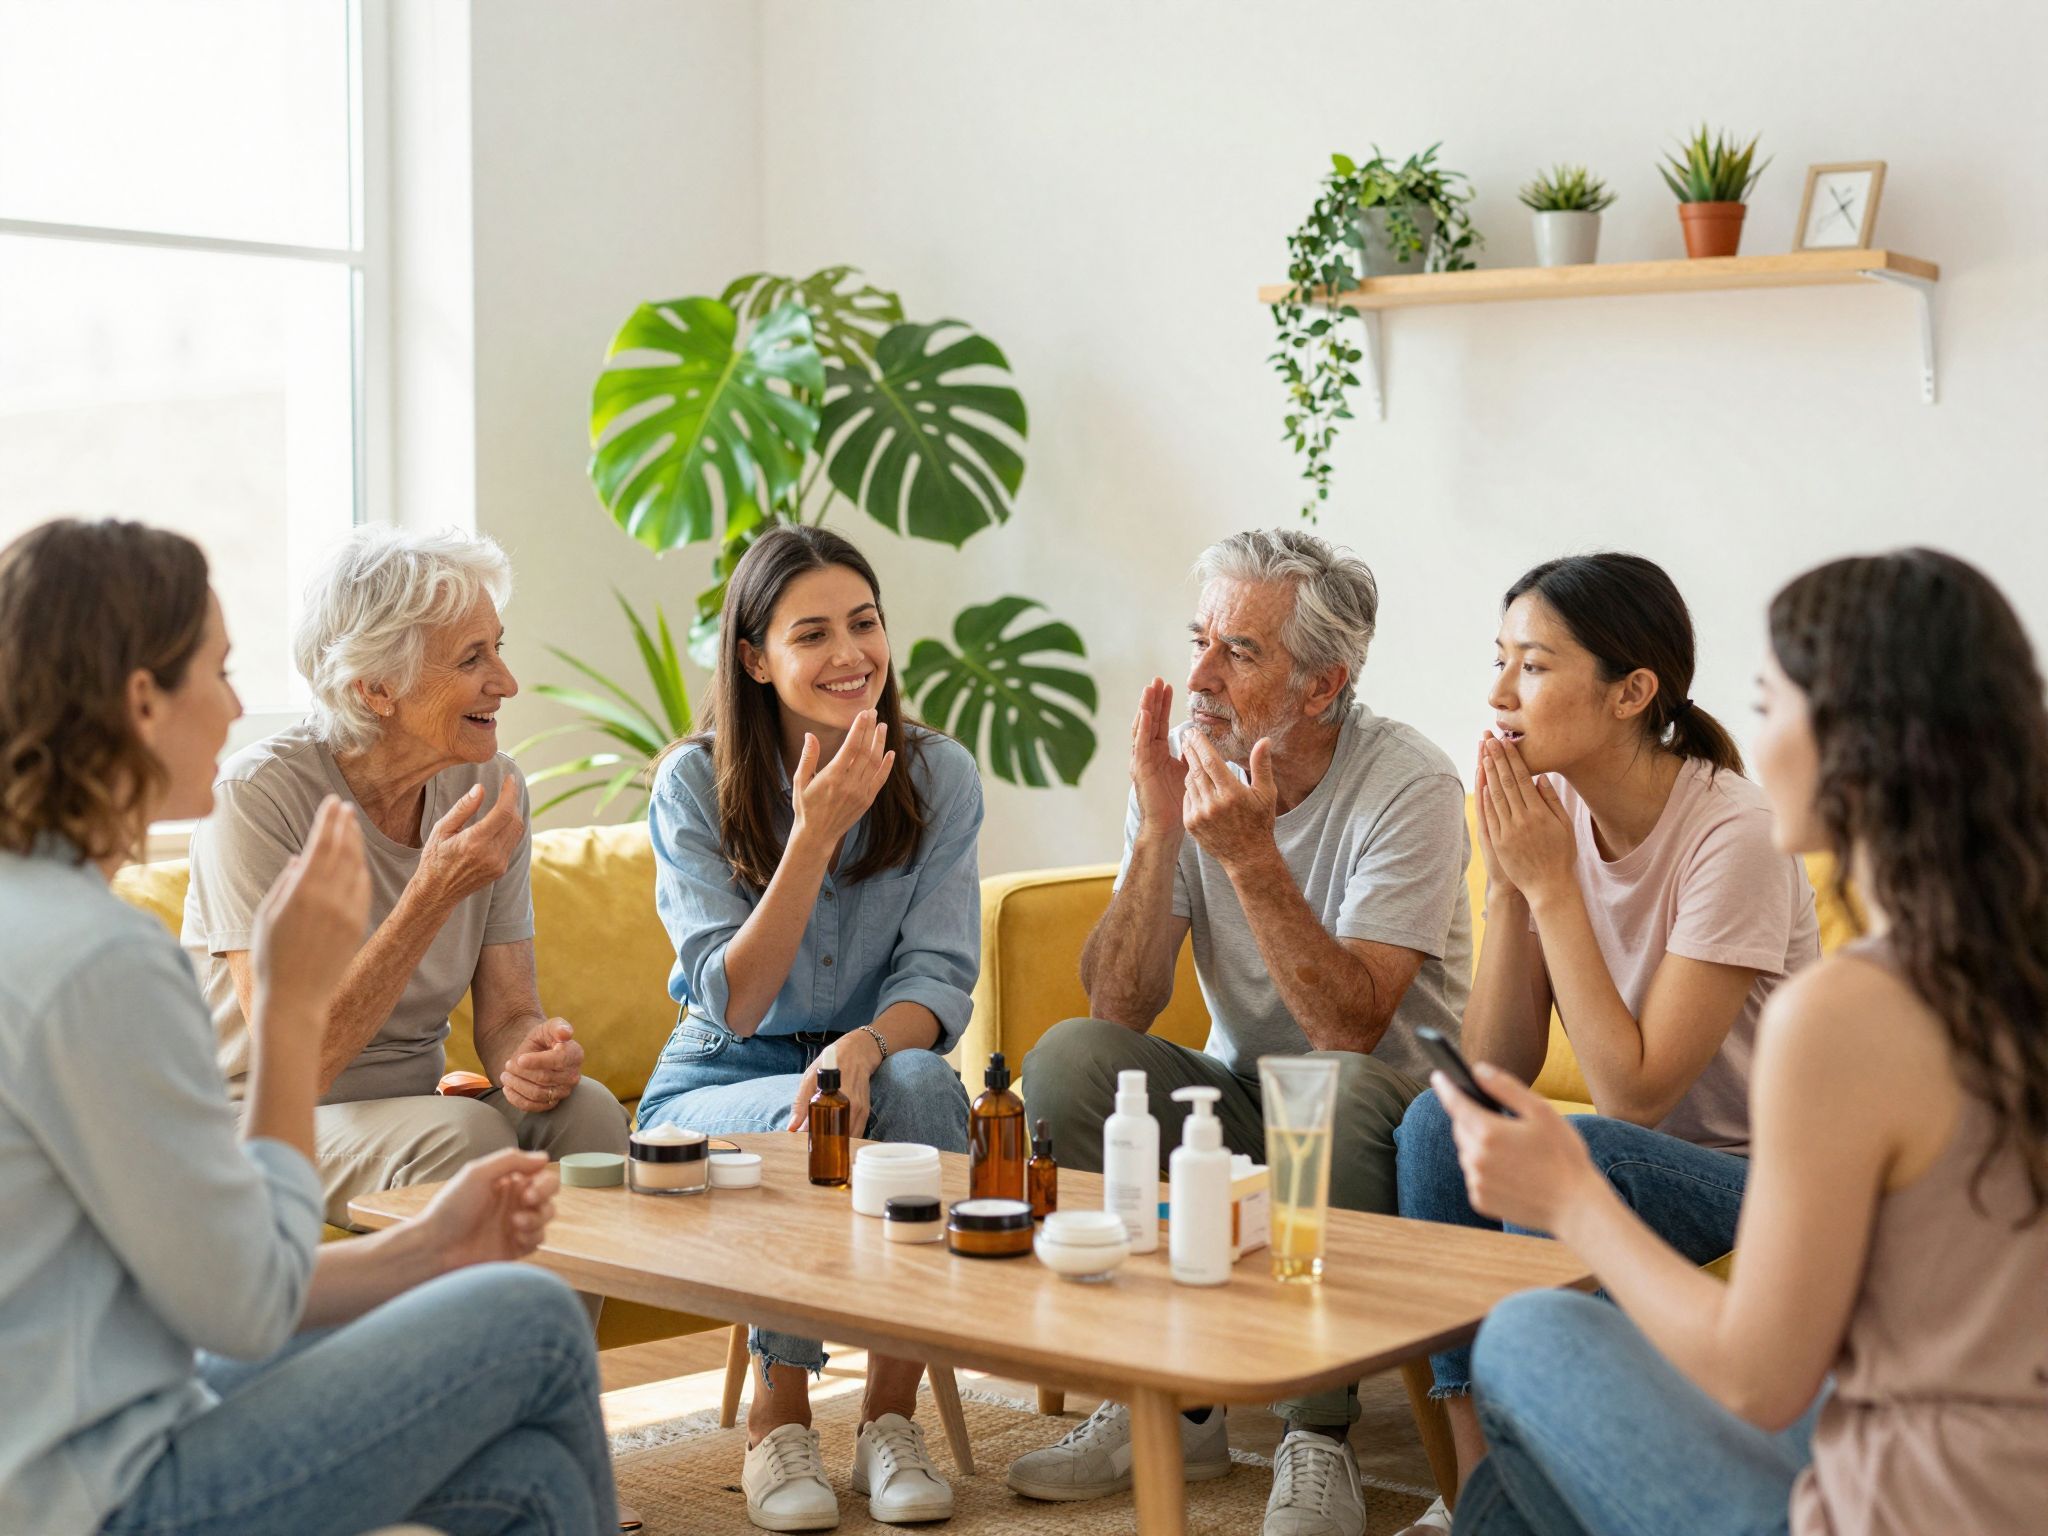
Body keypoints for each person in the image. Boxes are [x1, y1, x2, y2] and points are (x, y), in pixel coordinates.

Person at [0, 518, 614, 1536]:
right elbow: (240, 1301)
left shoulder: (41, 922)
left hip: (110, 1403)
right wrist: (291, 1003)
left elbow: (187, 1283)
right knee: (533, 1316)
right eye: (222, 669)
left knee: (534, 1481)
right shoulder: (101, 961)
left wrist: (424, 1255)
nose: (239, 704)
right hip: (98, 1492)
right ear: (141, 702)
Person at [1440, 548, 2048, 1535]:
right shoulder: (2004, 965)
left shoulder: (1849, 1011)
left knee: (1526, 1334)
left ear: (1855, 743)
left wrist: (1572, 1201)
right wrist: (1520, 885)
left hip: (1893, 1505)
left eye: (1767, 706)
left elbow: (1753, 1378)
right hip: (1972, 1453)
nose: (1749, 744)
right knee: (1514, 1474)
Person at [1015, 528, 1473, 1536]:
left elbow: (1347, 1026)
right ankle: (1171, 1403)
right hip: (1246, 1101)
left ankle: (1316, 1435)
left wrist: (1251, 860)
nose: (1199, 676)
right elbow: (1119, 1006)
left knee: (1333, 1085)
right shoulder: (1193, 769)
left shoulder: (1410, 786)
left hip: (1389, 1120)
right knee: (1068, 1063)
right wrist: (1155, 820)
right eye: (1199, 641)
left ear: (1320, 688)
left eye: (1239, 652)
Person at [1389, 554, 1820, 1532]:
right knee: (1431, 1121)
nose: (1499, 694)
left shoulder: (1732, 833)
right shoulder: (1552, 819)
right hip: (1643, 1152)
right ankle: (1469, 1487)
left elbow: (1632, 1098)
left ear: (1632, 692)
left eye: (1532, 667)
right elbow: (1491, 1072)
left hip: (1760, 1179)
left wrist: (1547, 887)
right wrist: (1507, 888)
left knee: (1587, 1147)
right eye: (1498, 661)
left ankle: (1541, 1467)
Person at [638, 524, 980, 1532]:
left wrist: (867, 1042)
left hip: (873, 1058)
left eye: (864, 624)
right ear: (755, 658)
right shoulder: (690, 786)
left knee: (918, 1085)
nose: (849, 656)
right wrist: (814, 831)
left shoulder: (938, 774)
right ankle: (777, 1423)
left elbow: (937, 974)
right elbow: (733, 1000)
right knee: (815, 1109)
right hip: (720, 1074)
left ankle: (887, 1420)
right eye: (813, 633)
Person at [183, 526, 627, 1241]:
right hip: (264, 1115)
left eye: (498, 648)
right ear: (376, 687)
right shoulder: (258, 797)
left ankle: (555, 1354)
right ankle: (485, 1355)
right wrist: (431, 894)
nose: (506, 683)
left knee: (591, 1115)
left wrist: (533, 1057)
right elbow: (296, 1061)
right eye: (471, 659)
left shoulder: (490, 784)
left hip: (416, 1108)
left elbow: (510, 1015)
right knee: (467, 1139)